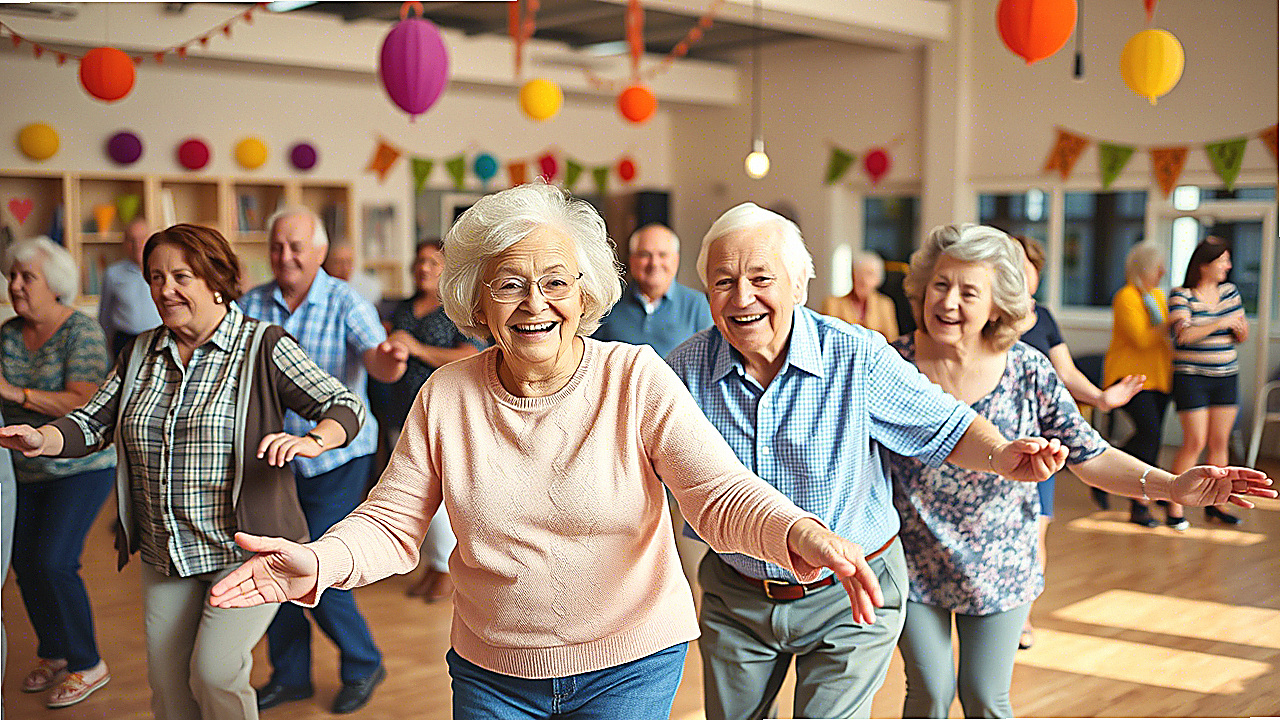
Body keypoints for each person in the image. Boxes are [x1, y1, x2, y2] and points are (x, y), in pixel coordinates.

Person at [208, 183, 887, 720]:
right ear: (477, 299)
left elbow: (717, 493)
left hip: (632, 662)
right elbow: (392, 522)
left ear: (586, 291)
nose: (536, 302)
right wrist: (322, 560)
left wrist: (797, 530)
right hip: (492, 672)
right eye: (509, 283)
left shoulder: (634, 378)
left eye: (557, 281)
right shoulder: (448, 396)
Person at [665, 203, 1073, 720]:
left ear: (798, 285)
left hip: (850, 592)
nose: (742, 297)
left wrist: (999, 453)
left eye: (760, 278)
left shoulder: (854, 355)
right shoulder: (683, 372)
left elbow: (947, 425)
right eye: (723, 282)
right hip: (738, 593)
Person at [888, 223, 1273, 719]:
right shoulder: (892, 364)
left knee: (985, 697)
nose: (948, 302)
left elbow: (1091, 455)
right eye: (940, 285)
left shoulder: (1027, 369)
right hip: (910, 558)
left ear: (998, 303)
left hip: (1001, 559)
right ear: (922, 287)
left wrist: (1171, 485)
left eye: (968, 291)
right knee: (929, 694)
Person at [0, 224, 366, 720]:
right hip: (166, 550)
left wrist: (312, 439)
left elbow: (342, 404)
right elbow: (93, 423)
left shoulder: (262, 346)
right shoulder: (140, 351)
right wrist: (43, 438)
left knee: (215, 673)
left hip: (245, 549)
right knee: (170, 688)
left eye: (180, 276)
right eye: (155, 277)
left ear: (215, 279)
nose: (165, 289)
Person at [238, 206, 407, 714]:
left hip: (337, 457)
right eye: (277, 247)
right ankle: (291, 676)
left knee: (318, 565)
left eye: (296, 247)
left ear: (319, 253)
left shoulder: (343, 299)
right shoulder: (252, 303)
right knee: (272, 561)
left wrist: (390, 361)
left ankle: (364, 662)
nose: (285, 257)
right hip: (273, 459)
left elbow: (375, 358)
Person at [1011, 235, 1145, 649]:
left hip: (1040, 445)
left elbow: (1065, 373)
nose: (1023, 272)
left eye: (1029, 265)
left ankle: (1023, 618)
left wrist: (1104, 398)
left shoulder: (1045, 317)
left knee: (1036, 532)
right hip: (995, 443)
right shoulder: (987, 316)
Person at [1, 237, 116, 709]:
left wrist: (16, 393)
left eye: (28, 276)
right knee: (24, 564)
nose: (15, 284)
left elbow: (85, 401)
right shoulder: (8, 333)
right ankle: (54, 651)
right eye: (12, 276)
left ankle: (88, 663)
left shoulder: (82, 333)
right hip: (25, 471)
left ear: (57, 285)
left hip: (81, 467)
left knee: (54, 560)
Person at [385, 239, 481, 601]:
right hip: (401, 408)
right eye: (419, 261)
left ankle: (445, 567)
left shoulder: (456, 311)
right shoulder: (405, 308)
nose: (423, 268)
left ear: (446, 269)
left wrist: (418, 349)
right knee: (413, 491)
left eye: (432, 262)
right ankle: (433, 563)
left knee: (440, 495)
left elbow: (469, 355)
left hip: (444, 413)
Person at [1168, 237, 1250, 526]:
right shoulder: (1181, 294)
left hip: (1226, 375)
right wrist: (1222, 323)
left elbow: (1241, 332)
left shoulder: (1230, 292)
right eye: (1222, 260)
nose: (1228, 266)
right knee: (1195, 442)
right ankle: (1174, 506)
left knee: (1219, 442)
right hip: (1191, 378)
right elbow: (1185, 335)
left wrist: (1237, 330)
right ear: (1205, 265)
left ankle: (1217, 504)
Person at [1103, 241, 1177, 527]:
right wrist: (1170, 322)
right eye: (1158, 266)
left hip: (1159, 378)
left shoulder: (1157, 296)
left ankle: (1109, 472)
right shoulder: (1126, 297)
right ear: (1145, 268)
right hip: (1130, 379)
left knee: (1152, 438)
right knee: (1149, 433)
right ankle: (1138, 504)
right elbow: (1142, 339)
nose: (1163, 271)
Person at [592, 223, 712, 358]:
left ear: (676, 260)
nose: (654, 263)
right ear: (632, 260)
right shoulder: (609, 302)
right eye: (645, 255)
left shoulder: (698, 305)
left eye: (662, 255)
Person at [98, 217, 163, 356]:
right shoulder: (112, 273)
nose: (137, 244)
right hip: (124, 341)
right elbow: (105, 315)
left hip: (157, 339)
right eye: (131, 240)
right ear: (124, 243)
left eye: (142, 239)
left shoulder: (162, 271)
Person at [820, 249, 900, 340]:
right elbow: (826, 338)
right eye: (858, 273)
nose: (863, 280)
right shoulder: (832, 303)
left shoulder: (885, 304)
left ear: (878, 279)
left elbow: (892, 341)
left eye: (869, 274)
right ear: (852, 275)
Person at [322, 240, 383, 306]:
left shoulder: (369, 288)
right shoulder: (320, 289)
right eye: (338, 262)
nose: (344, 268)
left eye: (349, 261)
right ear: (327, 264)